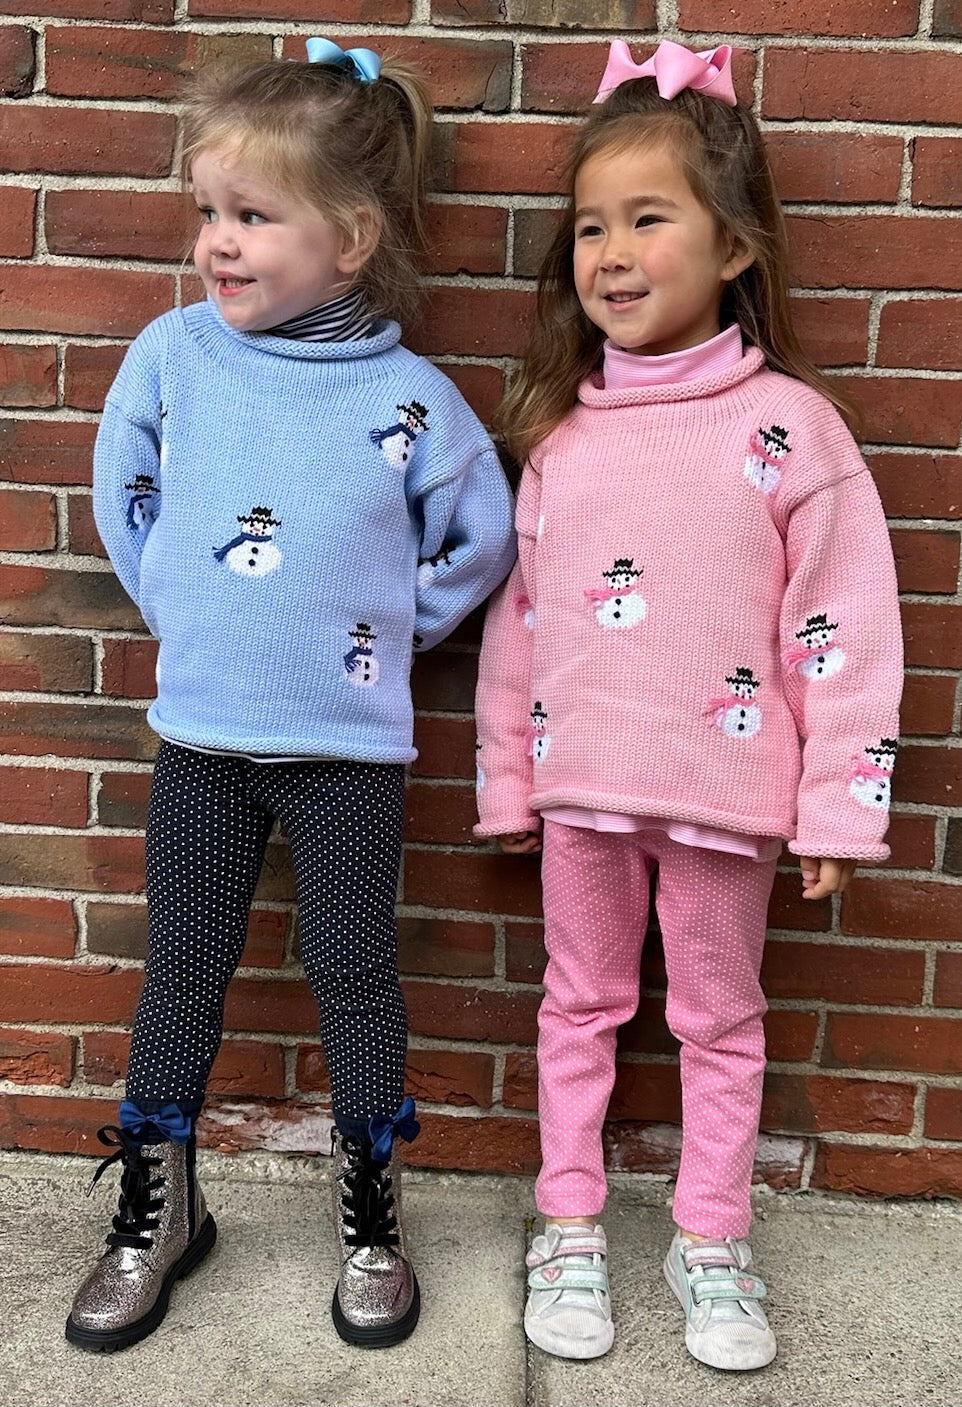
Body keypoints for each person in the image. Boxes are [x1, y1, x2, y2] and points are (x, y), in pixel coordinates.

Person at [67, 38, 516, 1355]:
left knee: (353, 976)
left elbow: (476, 539)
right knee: (181, 978)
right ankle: (161, 1210)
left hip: (345, 751)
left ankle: (374, 1215)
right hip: (201, 739)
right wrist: (186, 605)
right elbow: (123, 479)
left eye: (253, 216)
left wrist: (375, 634)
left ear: (353, 236)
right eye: (207, 211)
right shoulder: (176, 355)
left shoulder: (410, 402)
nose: (218, 241)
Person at [474, 38, 902, 1372]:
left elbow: (839, 621)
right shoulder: (563, 437)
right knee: (576, 1006)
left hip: (726, 797)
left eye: (645, 219)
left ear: (730, 247)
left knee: (717, 1020)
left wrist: (838, 799)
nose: (609, 252)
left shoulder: (790, 432)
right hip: (584, 790)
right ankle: (570, 1218)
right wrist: (505, 779)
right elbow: (523, 622)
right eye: (589, 226)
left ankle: (709, 1235)